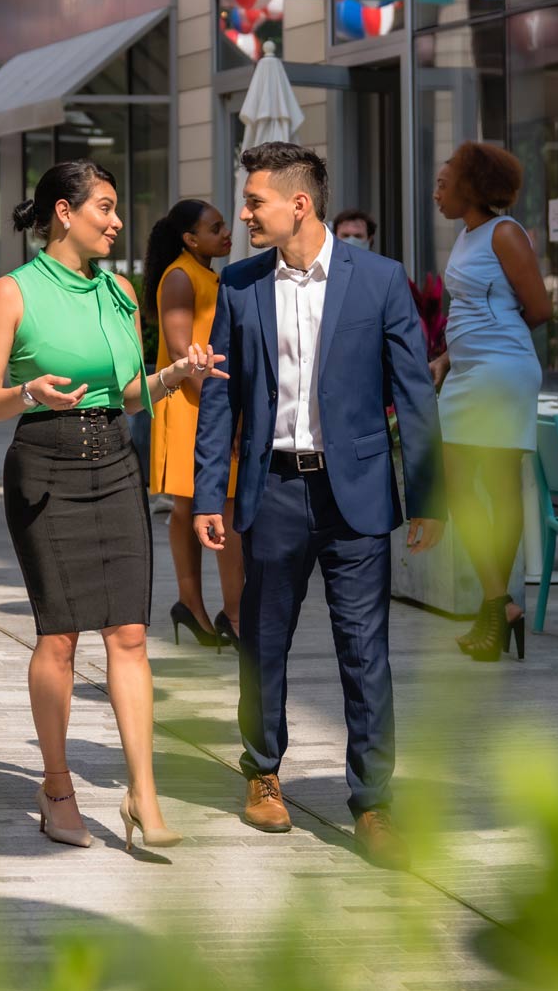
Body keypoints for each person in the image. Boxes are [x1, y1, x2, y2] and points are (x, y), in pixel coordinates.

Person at [193, 142, 443, 870]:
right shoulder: (239, 286)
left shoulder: (381, 280)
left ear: (298, 203)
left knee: (365, 651)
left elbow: (413, 393)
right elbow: (221, 399)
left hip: (357, 494)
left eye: (255, 201)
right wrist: (211, 489)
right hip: (272, 488)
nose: (244, 213)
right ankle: (263, 769)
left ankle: (373, 802)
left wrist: (425, 491)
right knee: (262, 638)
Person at [0, 160, 225, 855]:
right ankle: (56, 787)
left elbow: (132, 391)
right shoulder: (12, 293)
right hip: (43, 464)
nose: (117, 221)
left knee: (131, 635)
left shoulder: (120, 292)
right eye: (105, 208)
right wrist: (29, 393)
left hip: (115, 462)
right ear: (63, 211)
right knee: (60, 636)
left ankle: (143, 794)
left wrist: (180, 373)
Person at [426, 143, 554, 663]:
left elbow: (540, 308)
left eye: (444, 181)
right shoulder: (468, 235)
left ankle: (496, 604)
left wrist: (490, 350)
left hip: (501, 372)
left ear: (471, 187)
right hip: (468, 371)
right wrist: (448, 358)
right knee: (461, 485)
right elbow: (471, 313)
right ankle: (499, 603)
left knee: (496, 486)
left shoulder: (505, 233)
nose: (437, 190)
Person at [145, 199, 244, 649]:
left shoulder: (205, 272)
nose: (226, 233)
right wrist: (225, 412)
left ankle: (204, 608)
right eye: (215, 227)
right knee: (207, 508)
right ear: (190, 239)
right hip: (193, 404)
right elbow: (185, 357)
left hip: (207, 401)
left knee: (207, 509)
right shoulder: (182, 276)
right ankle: (223, 611)